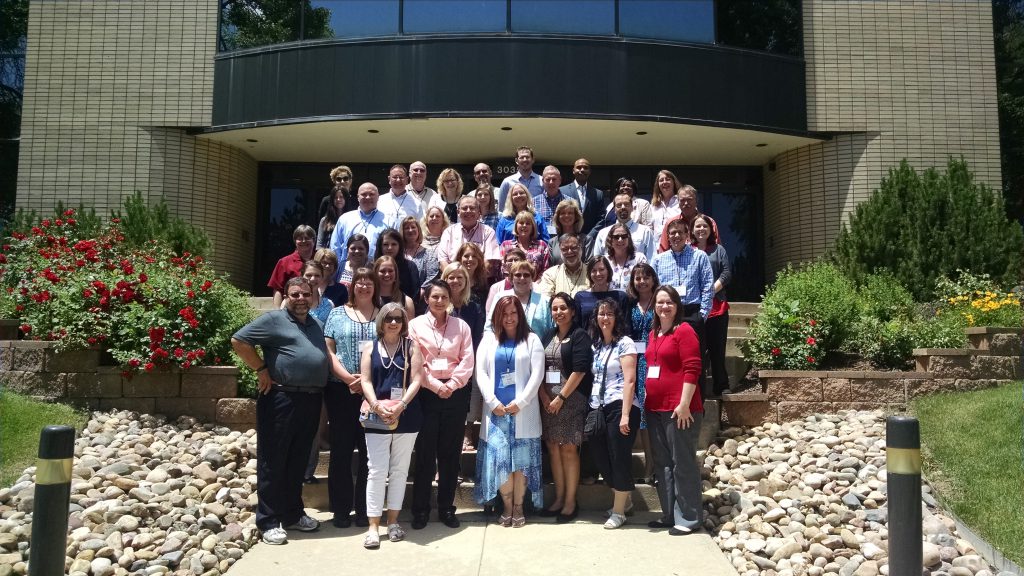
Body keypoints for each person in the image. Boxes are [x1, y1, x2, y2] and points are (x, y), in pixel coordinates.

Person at [231, 277, 334, 545]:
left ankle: (292, 514)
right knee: (273, 460)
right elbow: (239, 341)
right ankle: (268, 520)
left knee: (298, 459)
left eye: (306, 294)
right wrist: (261, 369)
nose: (301, 299)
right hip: (281, 398)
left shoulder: (315, 324)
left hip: (311, 399)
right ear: (286, 296)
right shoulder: (274, 320)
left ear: (312, 297)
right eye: (295, 294)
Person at [408, 280, 476, 530]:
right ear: (426, 299)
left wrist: (452, 384)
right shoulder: (415, 325)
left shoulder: (461, 326)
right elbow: (416, 361)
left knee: (450, 454)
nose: (439, 301)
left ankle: (447, 507)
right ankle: (420, 509)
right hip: (426, 392)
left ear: (450, 299)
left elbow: (467, 359)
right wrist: (436, 386)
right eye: (435, 297)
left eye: (444, 297)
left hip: (455, 393)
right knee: (425, 454)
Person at [474, 295, 545, 527]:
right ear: (497, 316)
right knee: (500, 462)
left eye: (513, 313)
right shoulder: (488, 340)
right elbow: (481, 373)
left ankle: (518, 507)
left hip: (523, 413)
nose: (509, 318)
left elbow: (537, 375)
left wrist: (521, 402)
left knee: (521, 464)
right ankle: (506, 506)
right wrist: (492, 401)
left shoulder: (532, 340)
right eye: (504, 314)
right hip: (496, 413)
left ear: (520, 315)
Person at [358, 302, 425, 548]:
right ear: (381, 321)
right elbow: (365, 380)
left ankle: (393, 521)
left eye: (398, 318)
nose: (394, 323)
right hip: (377, 414)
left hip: (406, 414)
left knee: (399, 470)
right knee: (376, 470)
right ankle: (373, 526)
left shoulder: (412, 347)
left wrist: (401, 405)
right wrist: (376, 405)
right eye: (389, 318)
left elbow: (417, 379)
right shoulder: (370, 347)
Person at [643, 285, 703, 535]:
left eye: (669, 302)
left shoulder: (684, 330)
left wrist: (684, 403)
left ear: (677, 306)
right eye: (660, 302)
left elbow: (693, 368)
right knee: (663, 464)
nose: (664, 307)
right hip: (655, 408)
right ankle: (670, 514)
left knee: (683, 463)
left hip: (680, 410)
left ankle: (689, 518)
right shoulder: (653, 334)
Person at [322, 267, 379, 529]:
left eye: (369, 283)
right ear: (352, 285)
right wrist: (348, 379)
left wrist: (366, 382)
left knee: (370, 454)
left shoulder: (384, 315)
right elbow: (329, 351)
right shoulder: (336, 313)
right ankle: (341, 509)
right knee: (341, 451)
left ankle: (365, 509)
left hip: (374, 393)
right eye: (360, 282)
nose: (364, 287)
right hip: (341, 391)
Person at [537, 292, 592, 523]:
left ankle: (570, 502)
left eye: (563, 308)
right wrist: (543, 396)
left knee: (568, 449)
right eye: (554, 308)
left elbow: (580, 370)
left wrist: (561, 397)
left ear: (572, 311)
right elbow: (538, 368)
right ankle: (559, 498)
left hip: (570, 400)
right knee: (553, 447)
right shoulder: (548, 335)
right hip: (548, 401)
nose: (558, 312)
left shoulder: (580, 336)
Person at [587, 298, 641, 530]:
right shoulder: (597, 345)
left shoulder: (625, 343)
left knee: (619, 457)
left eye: (609, 314)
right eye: (601, 314)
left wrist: (625, 414)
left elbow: (630, 380)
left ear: (617, 317)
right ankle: (625, 500)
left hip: (620, 405)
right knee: (600, 456)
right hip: (598, 406)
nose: (605, 318)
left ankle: (619, 511)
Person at [651, 218, 714, 386]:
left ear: (687, 235)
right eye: (673, 233)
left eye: (680, 232)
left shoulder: (699, 256)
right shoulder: (658, 260)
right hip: (667, 314)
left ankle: (697, 399)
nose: (676, 236)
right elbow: (653, 290)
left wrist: (702, 315)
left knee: (694, 362)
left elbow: (708, 286)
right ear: (667, 237)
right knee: (670, 359)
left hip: (692, 313)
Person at [626, 263, 660, 482]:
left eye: (646, 277)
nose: (642, 282)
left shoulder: (660, 302)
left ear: (653, 279)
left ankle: (656, 464)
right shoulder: (629, 304)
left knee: (652, 413)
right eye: (637, 278)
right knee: (641, 418)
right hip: (634, 363)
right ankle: (649, 465)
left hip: (655, 361)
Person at [692, 213, 732, 396]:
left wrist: (710, 291)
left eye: (705, 226)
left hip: (717, 308)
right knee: (697, 352)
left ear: (711, 229)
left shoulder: (718, 250)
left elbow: (726, 273)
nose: (701, 229)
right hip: (696, 309)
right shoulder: (688, 251)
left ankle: (721, 386)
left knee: (717, 350)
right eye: (697, 226)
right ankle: (696, 390)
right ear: (692, 230)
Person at [485, 260, 553, 338]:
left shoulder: (545, 301)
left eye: (526, 275)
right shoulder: (500, 297)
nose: (522, 278)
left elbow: (551, 330)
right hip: (504, 344)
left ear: (532, 278)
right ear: (511, 279)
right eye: (518, 275)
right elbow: (489, 327)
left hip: (538, 344)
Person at [436, 195, 501, 273]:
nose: (468, 211)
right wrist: (457, 277)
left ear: (479, 212)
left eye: (472, 208)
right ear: (458, 212)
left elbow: (489, 263)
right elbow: (443, 262)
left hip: (480, 278)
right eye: (464, 208)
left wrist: (472, 278)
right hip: (454, 278)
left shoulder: (488, 232)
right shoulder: (449, 232)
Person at [330, 182, 387, 265]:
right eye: (364, 194)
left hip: (377, 270)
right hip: (348, 269)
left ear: (378, 197)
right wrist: (339, 268)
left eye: (371, 194)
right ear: (358, 197)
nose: (368, 197)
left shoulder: (389, 221)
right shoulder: (345, 219)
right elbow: (335, 247)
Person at [657, 185, 720, 253]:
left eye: (689, 199)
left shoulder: (708, 222)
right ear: (678, 202)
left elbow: (717, 250)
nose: (686, 203)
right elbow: (663, 250)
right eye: (682, 200)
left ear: (696, 201)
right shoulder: (671, 223)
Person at [593, 192, 656, 261]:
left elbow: (652, 259)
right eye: (619, 205)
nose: (623, 207)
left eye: (626, 204)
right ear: (614, 209)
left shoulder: (645, 231)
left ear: (632, 208)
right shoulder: (603, 233)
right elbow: (597, 261)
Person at [574, 255, 629, 329]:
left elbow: (626, 326)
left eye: (601, 269)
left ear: (608, 271)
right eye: (594, 271)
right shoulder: (580, 297)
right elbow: (576, 327)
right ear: (589, 274)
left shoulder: (621, 297)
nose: (598, 274)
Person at [268, 224, 315, 307]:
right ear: (295, 241)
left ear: (313, 240)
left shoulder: (320, 259)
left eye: (307, 238)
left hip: (316, 305)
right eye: (300, 238)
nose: (303, 241)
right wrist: (277, 311)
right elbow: (278, 289)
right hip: (292, 306)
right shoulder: (284, 262)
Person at [560, 158, 605, 236]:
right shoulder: (562, 191)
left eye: (585, 168)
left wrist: (589, 237)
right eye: (579, 167)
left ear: (589, 171)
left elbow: (601, 219)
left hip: (590, 239)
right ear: (573, 171)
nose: (582, 170)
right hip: (568, 238)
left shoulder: (598, 194)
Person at [536, 233, 590, 298]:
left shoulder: (591, 273)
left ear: (581, 248)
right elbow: (546, 300)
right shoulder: (550, 274)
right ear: (560, 251)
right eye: (565, 249)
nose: (569, 251)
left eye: (573, 248)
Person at [532, 165, 579, 238]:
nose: (551, 182)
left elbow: (577, 224)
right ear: (543, 181)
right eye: (548, 179)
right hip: (541, 242)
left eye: (554, 179)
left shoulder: (570, 202)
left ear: (560, 180)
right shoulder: (533, 202)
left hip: (565, 242)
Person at [499, 211, 550, 276]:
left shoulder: (542, 245)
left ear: (533, 227)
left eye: (528, 223)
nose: (524, 225)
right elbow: (502, 269)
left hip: (537, 282)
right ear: (516, 226)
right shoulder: (505, 245)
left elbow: (546, 270)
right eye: (521, 223)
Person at [375, 228, 419, 302]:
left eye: (394, 244)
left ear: (400, 246)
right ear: (380, 246)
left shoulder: (410, 267)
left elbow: (415, 294)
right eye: (385, 244)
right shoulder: (373, 266)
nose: (390, 248)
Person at [602, 222, 647, 291]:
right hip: (609, 297)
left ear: (628, 238)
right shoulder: (604, 261)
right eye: (616, 237)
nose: (620, 240)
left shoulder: (639, 258)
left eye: (624, 236)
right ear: (610, 239)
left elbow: (645, 281)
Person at [401, 215, 440, 295]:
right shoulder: (398, 253)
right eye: (407, 228)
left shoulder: (429, 254)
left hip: (422, 297)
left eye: (413, 227)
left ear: (418, 230)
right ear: (402, 232)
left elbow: (432, 277)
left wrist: (418, 295)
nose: (410, 230)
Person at [548, 199, 593, 267]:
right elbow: (550, 268)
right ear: (558, 217)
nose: (566, 216)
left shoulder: (586, 240)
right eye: (563, 213)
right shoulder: (552, 243)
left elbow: (590, 265)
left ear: (576, 217)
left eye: (570, 213)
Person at [485, 247, 527, 314]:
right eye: (510, 260)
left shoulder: (534, 287)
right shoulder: (495, 288)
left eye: (516, 260)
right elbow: (489, 313)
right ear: (505, 265)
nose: (513, 263)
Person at [317, 165, 356, 233]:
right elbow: (321, 224)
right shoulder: (326, 200)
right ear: (334, 182)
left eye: (345, 178)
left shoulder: (356, 201)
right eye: (338, 179)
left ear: (350, 181)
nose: (342, 181)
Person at [650, 170, 683, 239]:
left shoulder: (682, 201)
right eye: (661, 180)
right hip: (657, 244)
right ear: (658, 185)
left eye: (668, 179)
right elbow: (650, 227)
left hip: (677, 242)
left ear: (674, 182)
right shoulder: (653, 205)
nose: (664, 182)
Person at [317, 184, 351, 249]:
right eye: (335, 197)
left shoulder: (352, 219)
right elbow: (319, 244)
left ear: (346, 199)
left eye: (341, 197)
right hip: (328, 254)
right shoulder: (325, 220)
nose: (338, 199)